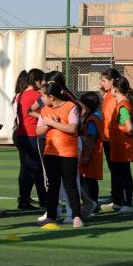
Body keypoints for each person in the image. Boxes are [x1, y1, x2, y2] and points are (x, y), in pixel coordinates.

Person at [36, 80, 83, 228]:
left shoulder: (71, 107)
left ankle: (76, 216)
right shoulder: (44, 110)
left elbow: (72, 129)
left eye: (43, 96)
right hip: (50, 152)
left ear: (51, 97)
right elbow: (38, 131)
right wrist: (47, 124)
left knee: (70, 185)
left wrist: (53, 123)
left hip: (68, 153)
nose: (41, 99)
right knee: (53, 185)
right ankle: (51, 215)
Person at [100, 76, 133, 214]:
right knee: (118, 174)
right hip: (118, 145)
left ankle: (127, 203)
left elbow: (128, 127)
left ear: (115, 89)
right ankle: (118, 202)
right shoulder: (121, 103)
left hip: (122, 146)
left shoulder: (123, 105)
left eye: (111, 88)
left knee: (124, 175)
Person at [13, 68, 46, 210]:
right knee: (36, 168)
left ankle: (25, 199)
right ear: (36, 81)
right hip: (33, 134)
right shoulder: (37, 95)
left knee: (27, 168)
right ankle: (34, 200)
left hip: (21, 133)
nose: (44, 83)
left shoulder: (19, 95)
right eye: (42, 80)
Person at [98, 68, 122, 205]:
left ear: (112, 81)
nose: (102, 83)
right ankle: (116, 195)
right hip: (106, 137)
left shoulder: (116, 95)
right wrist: (102, 89)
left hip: (113, 137)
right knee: (114, 169)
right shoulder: (108, 94)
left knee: (117, 169)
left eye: (104, 80)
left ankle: (120, 196)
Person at [78, 91, 103, 218]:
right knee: (90, 180)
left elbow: (92, 138)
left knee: (88, 181)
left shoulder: (92, 119)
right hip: (93, 154)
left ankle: (92, 204)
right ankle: (94, 204)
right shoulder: (96, 116)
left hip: (91, 154)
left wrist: (87, 155)